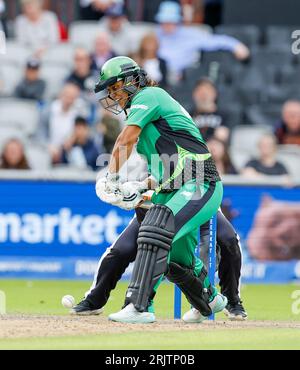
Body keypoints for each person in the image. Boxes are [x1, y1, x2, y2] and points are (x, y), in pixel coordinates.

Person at [93, 56, 228, 324]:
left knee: (157, 227)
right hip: (176, 186)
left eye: (115, 86)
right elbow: (165, 169)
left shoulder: (150, 95)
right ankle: (209, 299)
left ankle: (138, 307)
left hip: (201, 181)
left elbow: (125, 139)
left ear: (133, 81)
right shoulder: (148, 127)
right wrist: (141, 186)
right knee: (177, 259)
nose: (112, 94)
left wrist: (111, 177)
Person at [155, 1, 250, 83]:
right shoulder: (155, 34)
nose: (166, 25)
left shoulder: (190, 34)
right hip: (154, 79)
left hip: (182, 80)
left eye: (170, 21)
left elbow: (215, 41)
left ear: (178, 21)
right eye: (164, 21)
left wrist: (236, 45)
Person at [39, 83, 89, 164]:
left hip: (70, 150)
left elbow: (84, 132)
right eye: (67, 96)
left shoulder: (79, 112)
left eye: (72, 98)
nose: (69, 100)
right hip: (49, 150)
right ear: (61, 95)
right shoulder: (48, 110)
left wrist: (73, 139)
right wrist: (49, 147)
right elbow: (40, 134)